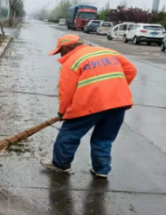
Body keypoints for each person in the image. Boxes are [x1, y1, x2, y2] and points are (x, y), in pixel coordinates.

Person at [41, 34, 137, 178]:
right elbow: (131, 70)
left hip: (90, 104)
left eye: (60, 51)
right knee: (104, 138)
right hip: (118, 102)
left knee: (69, 133)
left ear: (68, 47)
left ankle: (60, 164)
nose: (60, 54)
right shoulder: (108, 52)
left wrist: (63, 112)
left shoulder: (72, 62)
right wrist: (113, 89)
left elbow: (66, 92)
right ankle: (102, 170)